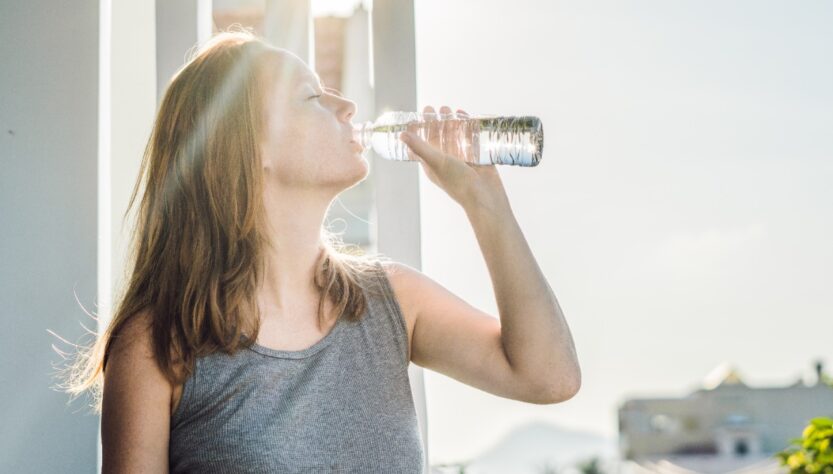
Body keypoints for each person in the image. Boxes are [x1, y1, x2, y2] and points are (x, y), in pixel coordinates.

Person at [55, 27, 580, 473]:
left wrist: (483, 201)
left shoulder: (390, 301)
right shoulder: (157, 344)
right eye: (312, 96)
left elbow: (548, 377)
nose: (348, 106)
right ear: (247, 146)